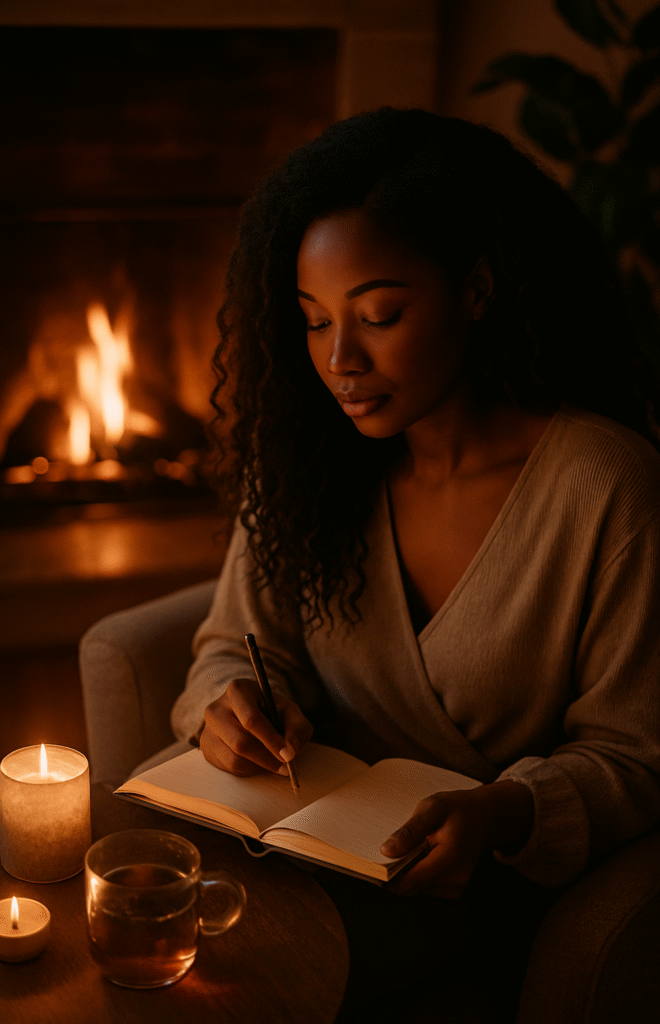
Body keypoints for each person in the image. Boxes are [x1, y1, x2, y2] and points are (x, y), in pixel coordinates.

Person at [165, 108, 660, 1021]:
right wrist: (224, 706)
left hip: (461, 884)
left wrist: (506, 811)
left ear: (476, 290)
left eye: (379, 314)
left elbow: (636, 753)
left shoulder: (604, 487)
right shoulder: (312, 464)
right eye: (313, 323)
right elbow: (228, 646)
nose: (339, 361)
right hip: (297, 842)